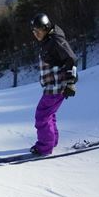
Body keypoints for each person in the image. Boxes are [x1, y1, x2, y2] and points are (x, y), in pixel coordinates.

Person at [29, 13, 77, 156]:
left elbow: (71, 59)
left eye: (38, 31)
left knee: (42, 115)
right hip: (52, 86)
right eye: (34, 31)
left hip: (57, 87)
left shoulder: (56, 40)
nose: (36, 34)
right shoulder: (47, 40)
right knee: (49, 114)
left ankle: (44, 147)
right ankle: (51, 141)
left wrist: (70, 83)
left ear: (46, 27)